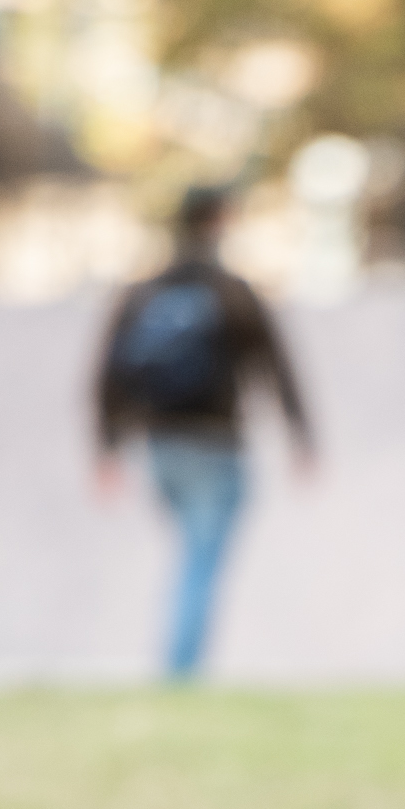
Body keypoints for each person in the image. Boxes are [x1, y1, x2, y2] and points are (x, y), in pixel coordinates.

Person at [94, 187, 316, 683]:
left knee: (190, 551)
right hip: (217, 444)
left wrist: (107, 447)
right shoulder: (230, 292)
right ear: (220, 221)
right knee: (201, 557)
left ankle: (180, 661)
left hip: (160, 444)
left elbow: (107, 373)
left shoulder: (144, 292)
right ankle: (181, 671)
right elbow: (278, 367)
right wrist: (302, 438)